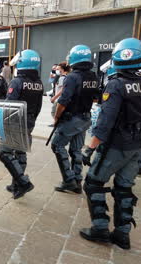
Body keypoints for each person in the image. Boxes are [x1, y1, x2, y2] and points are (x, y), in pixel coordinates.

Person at [80, 38, 141, 250]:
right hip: (137, 145)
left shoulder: (116, 85)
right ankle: (122, 234)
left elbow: (104, 124)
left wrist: (90, 148)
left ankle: (100, 228)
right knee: (124, 187)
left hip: (116, 145)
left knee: (93, 183)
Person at [51, 44, 99, 193]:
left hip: (71, 119)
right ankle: (77, 180)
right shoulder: (93, 76)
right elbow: (96, 98)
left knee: (57, 146)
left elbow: (63, 102)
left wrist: (57, 117)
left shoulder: (72, 77)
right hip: (85, 118)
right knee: (76, 149)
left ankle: (69, 180)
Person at [0, 50, 43, 199]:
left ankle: (23, 182)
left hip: (15, 122)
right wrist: (32, 121)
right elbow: (38, 106)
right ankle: (16, 185)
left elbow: (9, 105)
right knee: (21, 152)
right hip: (29, 120)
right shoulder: (38, 83)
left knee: (5, 152)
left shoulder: (17, 82)